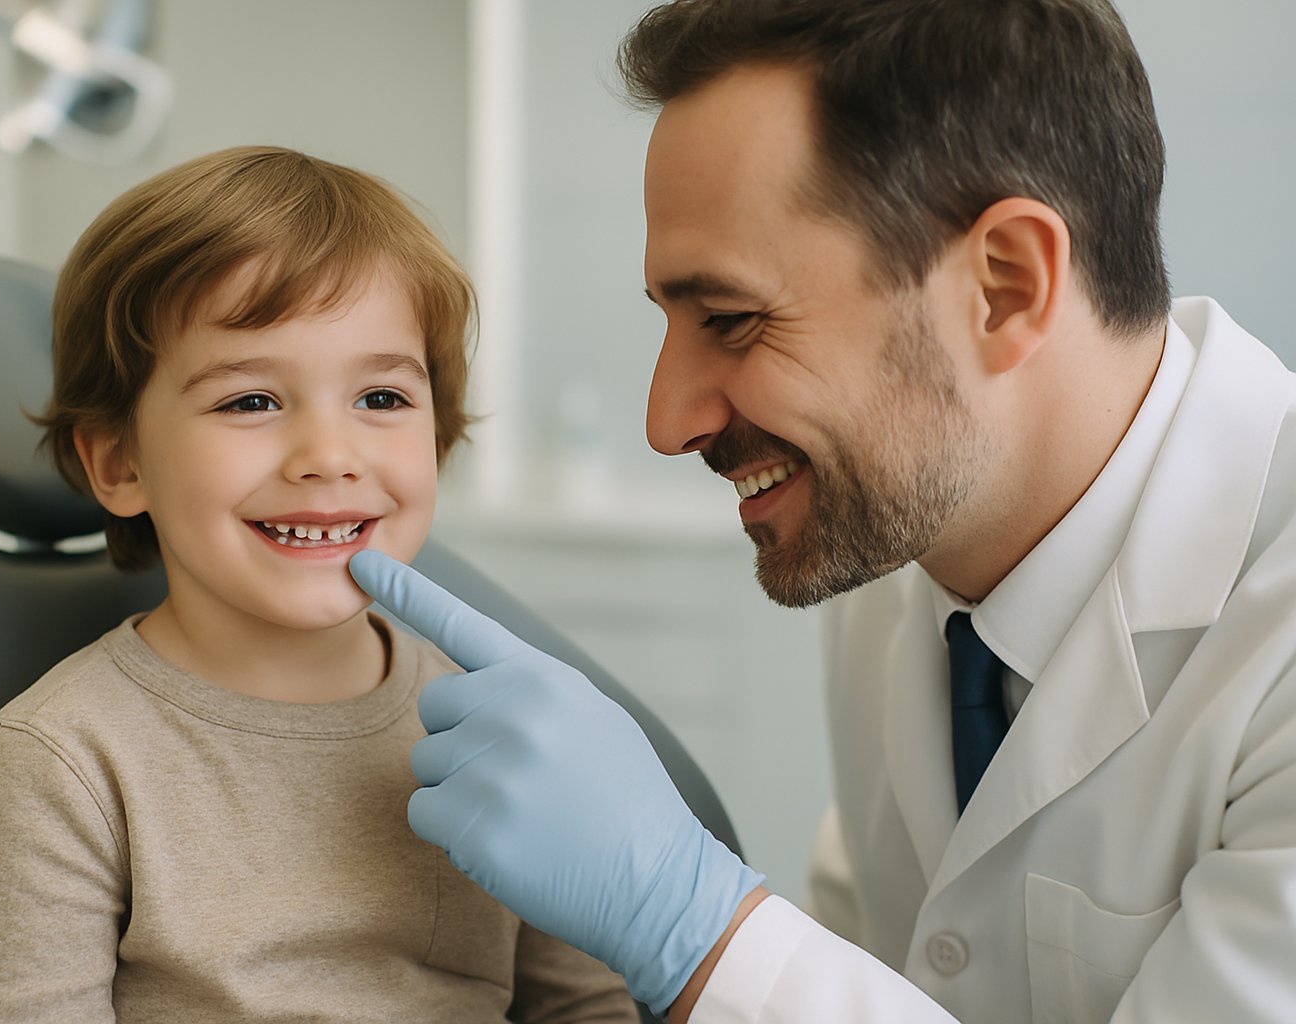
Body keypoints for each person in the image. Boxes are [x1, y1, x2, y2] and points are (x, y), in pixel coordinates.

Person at [348, 1, 1296, 1021]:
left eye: (732, 320)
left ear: (1006, 283)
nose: (667, 422)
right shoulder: (903, 551)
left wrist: (695, 923)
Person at [0, 145, 637, 1023]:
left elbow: (588, 1010)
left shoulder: (496, 728)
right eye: (252, 402)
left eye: (382, 399)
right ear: (120, 462)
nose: (329, 457)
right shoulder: (64, 764)